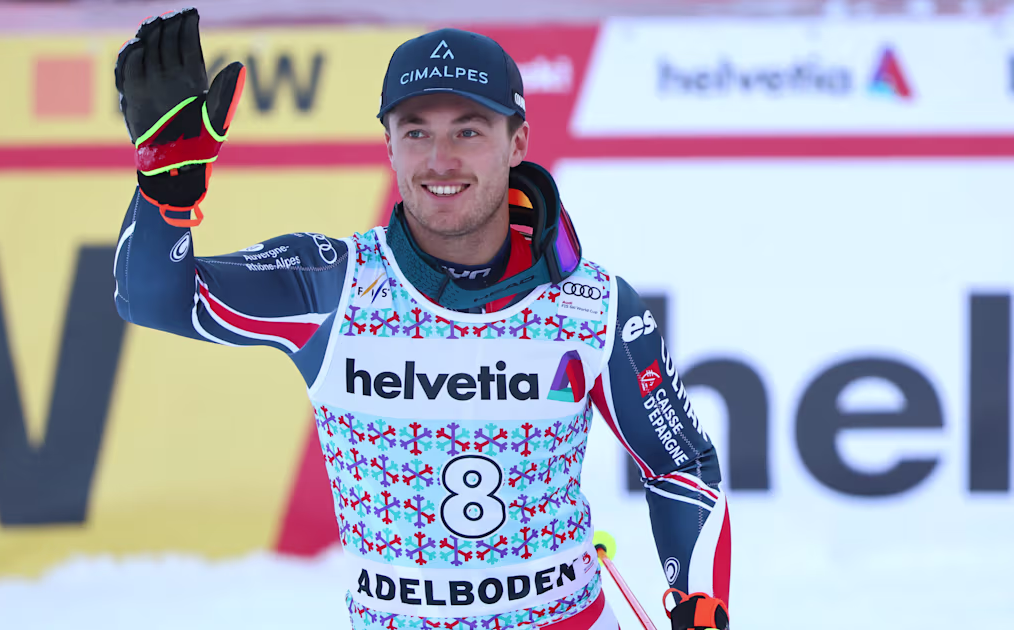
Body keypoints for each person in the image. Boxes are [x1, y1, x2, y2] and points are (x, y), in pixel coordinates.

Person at [112, 8, 731, 630]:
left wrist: (698, 602)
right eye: (415, 132)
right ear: (388, 144)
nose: (440, 160)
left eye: (468, 131)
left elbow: (681, 463)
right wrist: (167, 193)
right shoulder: (332, 281)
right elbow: (155, 299)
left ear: (517, 141)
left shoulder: (593, 304)